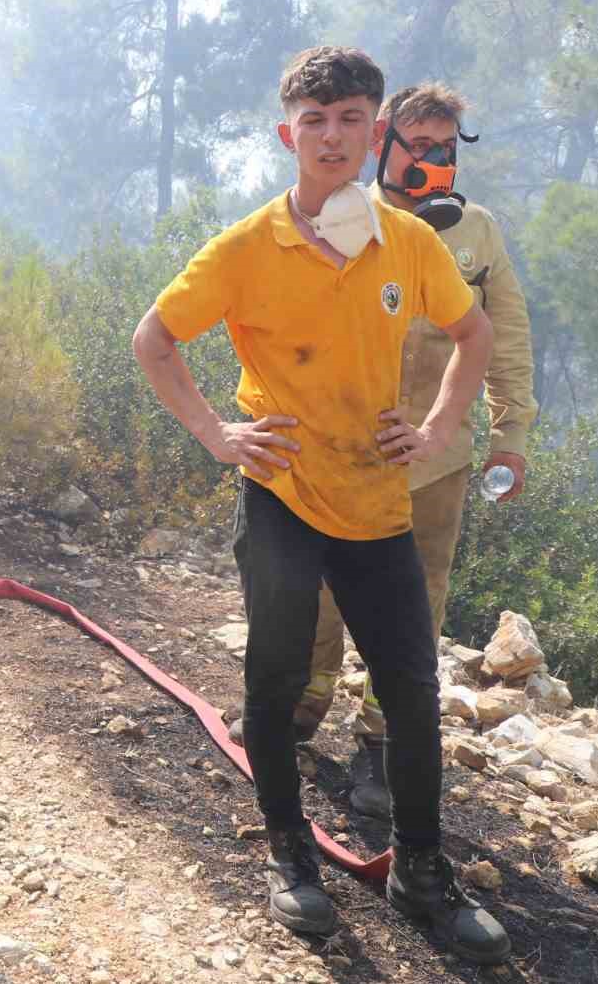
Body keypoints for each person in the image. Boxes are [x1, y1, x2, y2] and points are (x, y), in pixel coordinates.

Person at [131, 47, 510, 963]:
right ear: (286, 133)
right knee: (272, 677)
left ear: (375, 131)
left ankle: (421, 868)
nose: (333, 137)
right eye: (315, 120)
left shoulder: (410, 243)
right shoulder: (248, 247)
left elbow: (475, 332)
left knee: (413, 694)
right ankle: (292, 854)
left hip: (379, 503)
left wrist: (435, 427)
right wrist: (221, 435)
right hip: (283, 495)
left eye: (350, 120)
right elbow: (155, 339)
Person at [226, 82, 538, 822]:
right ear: (383, 145)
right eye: (417, 144)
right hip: (336, 455)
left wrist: (510, 436)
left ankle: (381, 740)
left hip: (434, 464)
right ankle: (300, 708)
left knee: (416, 607)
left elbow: (505, 336)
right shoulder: (341, 220)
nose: (431, 160)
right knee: (317, 592)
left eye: (443, 148)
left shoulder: (477, 235)